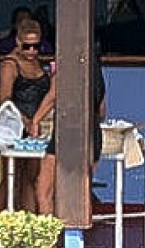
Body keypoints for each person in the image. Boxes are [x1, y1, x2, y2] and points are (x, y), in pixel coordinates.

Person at [30, 50, 107, 216]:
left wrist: (36, 120)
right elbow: (101, 111)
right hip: (92, 130)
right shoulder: (98, 78)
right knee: (78, 190)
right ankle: (74, 235)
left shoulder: (68, 65)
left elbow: (53, 95)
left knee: (45, 190)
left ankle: (49, 238)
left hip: (67, 129)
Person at [0, 18, 52, 211]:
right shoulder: (9, 64)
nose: (32, 52)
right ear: (18, 42)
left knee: (31, 178)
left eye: (37, 46)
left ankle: (29, 226)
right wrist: (26, 121)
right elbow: (5, 100)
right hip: (15, 127)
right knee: (11, 177)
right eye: (27, 46)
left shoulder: (38, 64)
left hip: (36, 128)